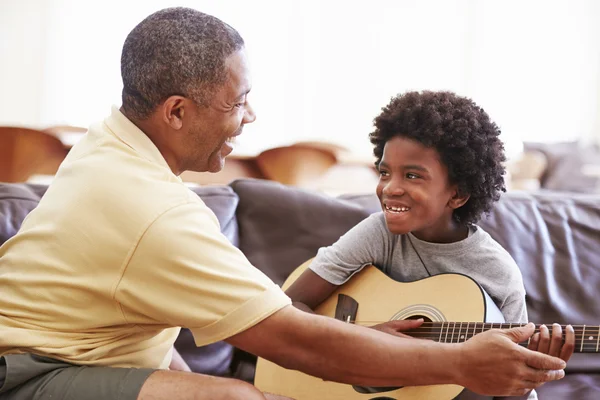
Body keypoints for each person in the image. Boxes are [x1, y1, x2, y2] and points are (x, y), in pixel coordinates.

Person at [0, 7, 574, 400]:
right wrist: (457, 361)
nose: (250, 117)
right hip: (28, 371)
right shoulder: (155, 211)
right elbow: (293, 335)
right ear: (176, 112)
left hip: (76, 356)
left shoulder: (107, 143)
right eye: (239, 101)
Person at [284, 90, 572, 399]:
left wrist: (531, 371)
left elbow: (509, 390)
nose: (390, 188)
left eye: (412, 175)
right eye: (384, 172)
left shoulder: (497, 272)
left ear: (457, 195)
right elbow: (287, 307)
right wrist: (361, 340)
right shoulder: (379, 233)